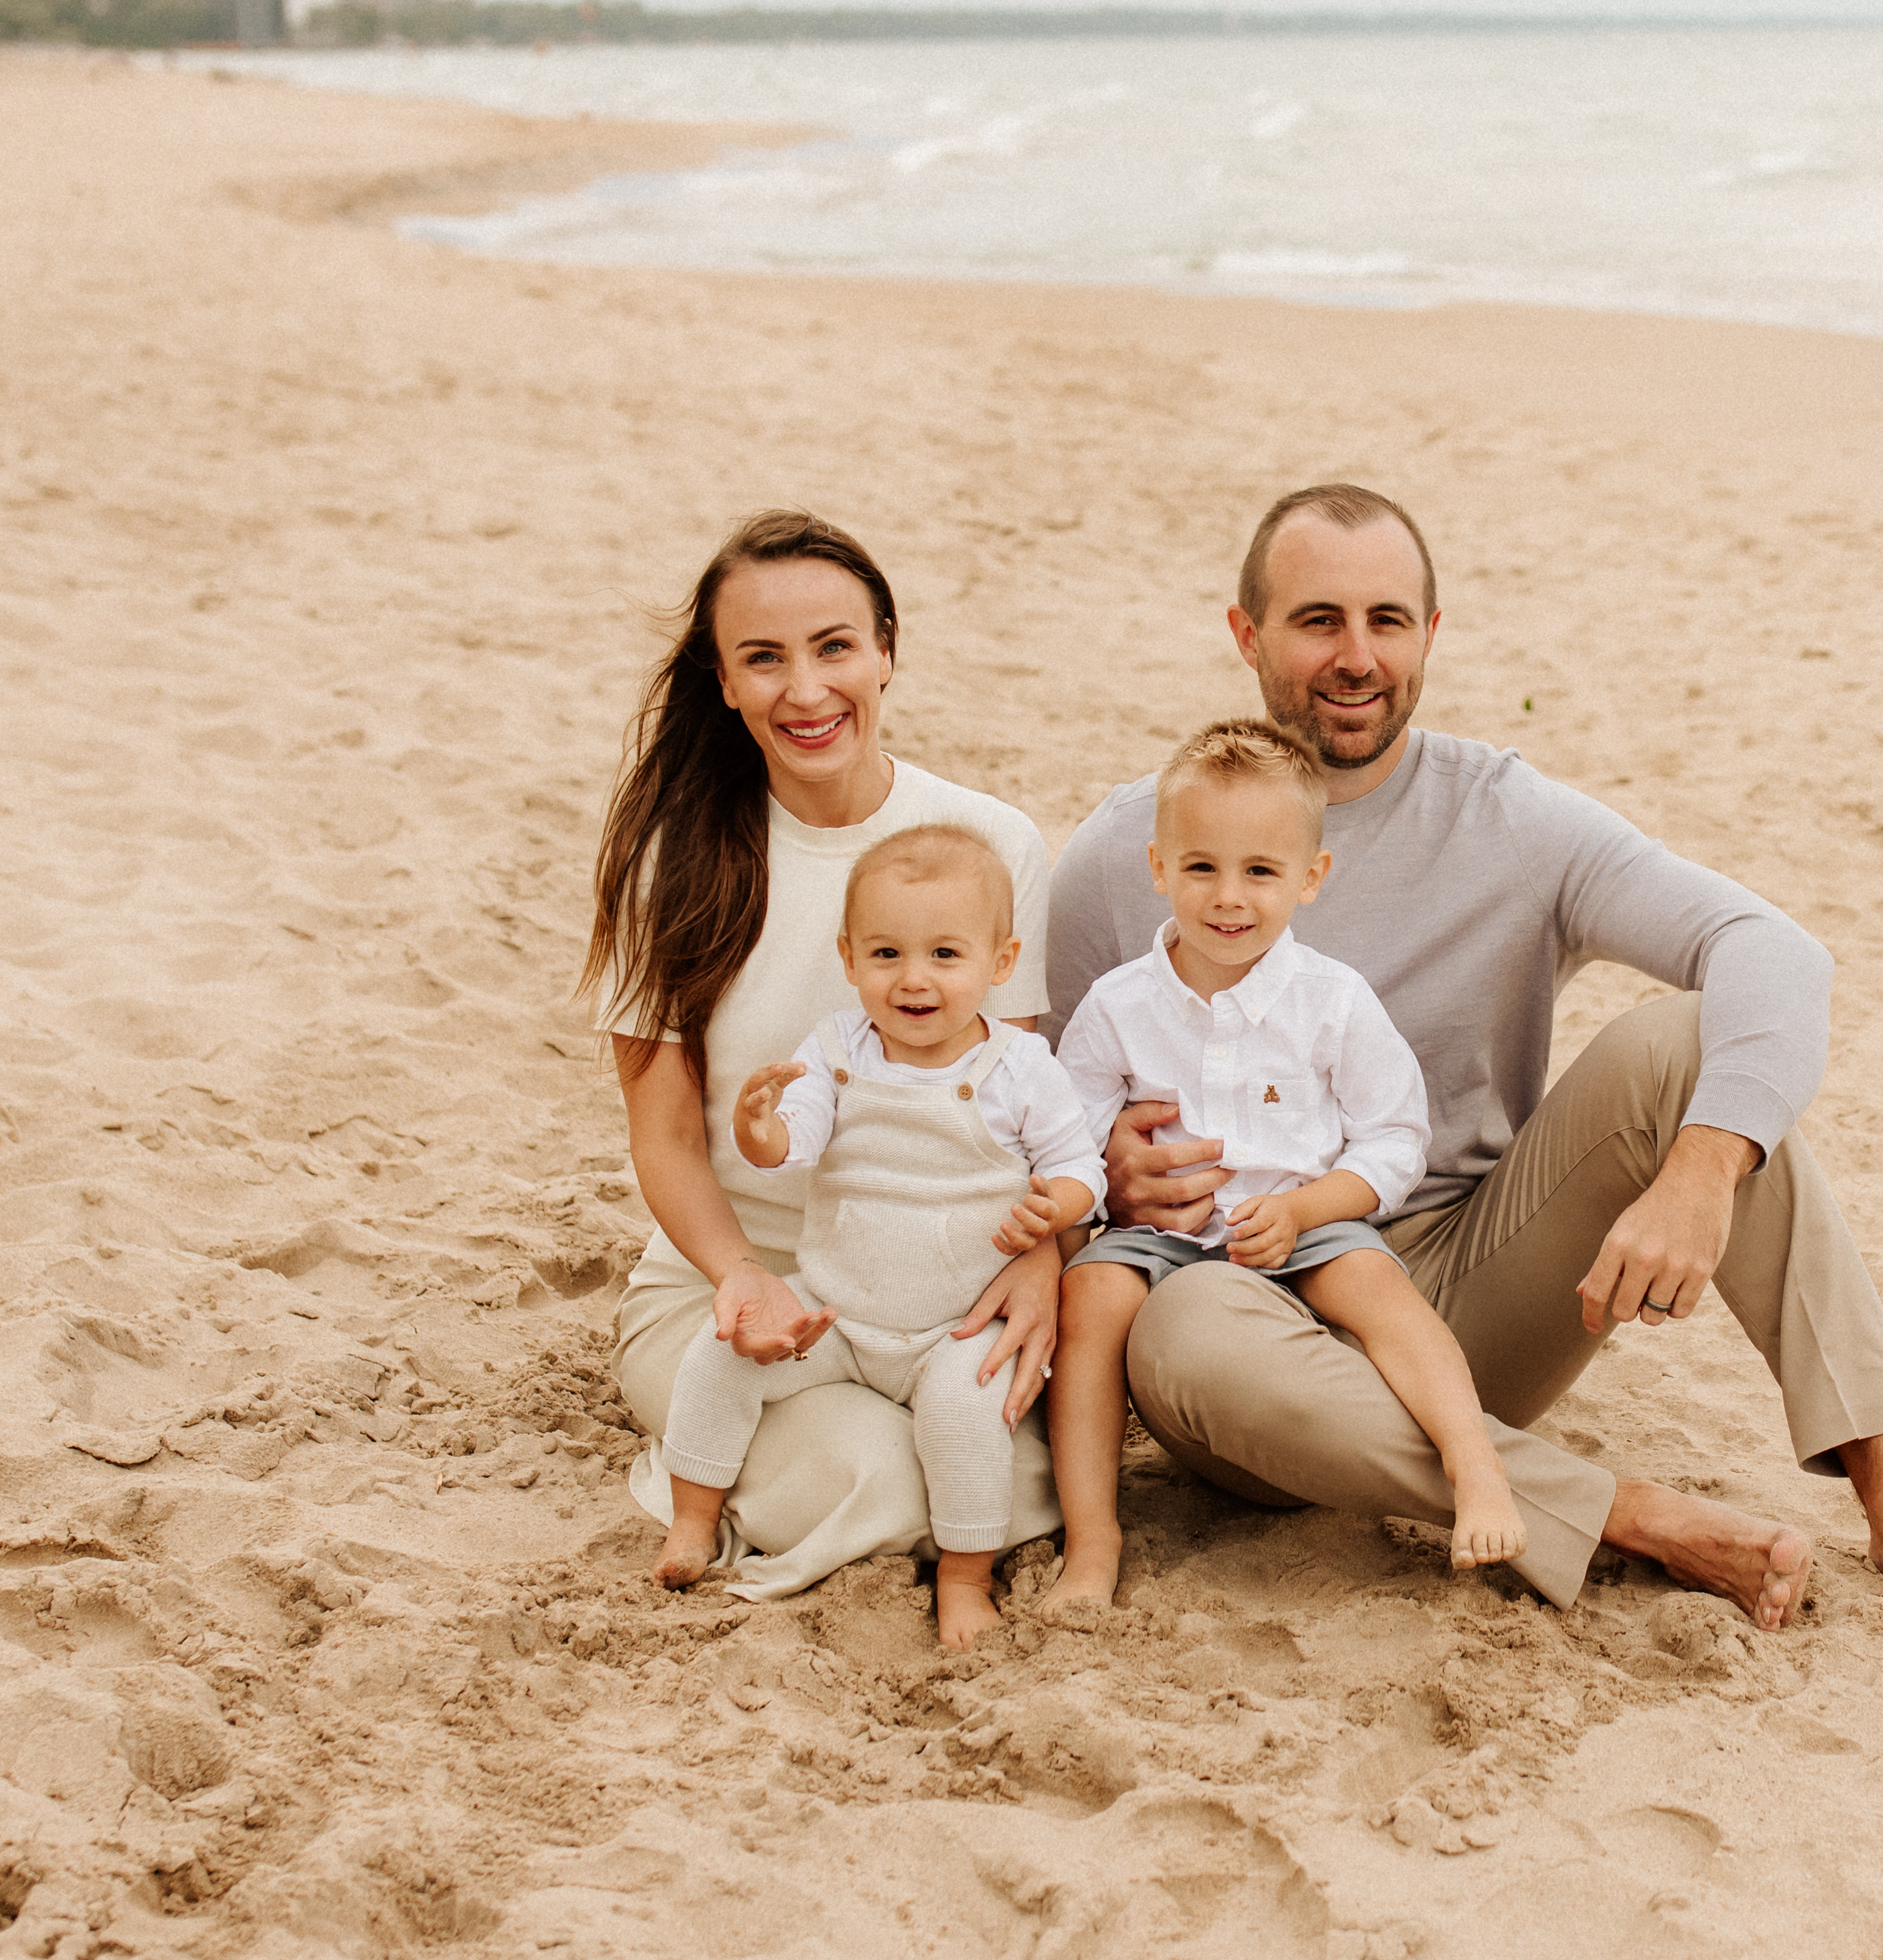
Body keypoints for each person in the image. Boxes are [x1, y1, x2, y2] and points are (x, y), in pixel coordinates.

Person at [1045, 484, 1883, 1654]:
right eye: (1315, 621)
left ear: (1430, 637)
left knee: (1685, 1044)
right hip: (1240, 1319)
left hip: (1470, 1282)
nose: (1354, 657)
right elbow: (1044, 1120)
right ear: (1245, 635)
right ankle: (1621, 1517)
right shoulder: (1119, 857)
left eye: (1386, 621)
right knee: (1175, 1330)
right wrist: (1109, 1174)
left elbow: (1772, 951)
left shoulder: (1509, 819)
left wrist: (1702, 1168)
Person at [588, 511, 1069, 1604]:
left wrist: (1041, 1256)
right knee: (885, 1488)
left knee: (1008, 1466)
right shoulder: (674, 858)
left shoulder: (993, 840)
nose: (805, 691)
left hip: (939, 1282)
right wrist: (740, 1278)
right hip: (730, 1290)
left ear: (887, 651)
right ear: (723, 682)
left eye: (835, 647)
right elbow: (661, 1134)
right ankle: (704, 1461)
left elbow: (1017, 1101)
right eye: (764, 659)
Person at [1040, 720, 1524, 1611]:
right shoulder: (1119, 1006)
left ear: (1310, 878)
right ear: (1158, 867)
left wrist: (1308, 1211)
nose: (1229, 898)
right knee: (1091, 1298)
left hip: (1303, 1222)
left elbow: (1394, 1138)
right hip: (1164, 1241)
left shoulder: (1332, 1001)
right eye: (1201, 868)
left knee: (1380, 1292)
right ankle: (1093, 1538)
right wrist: (1102, 1191)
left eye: (1260, 872)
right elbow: (1068, 1136)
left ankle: (1475, 1462)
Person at [655, 825, 1103, 1645]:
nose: (914, 979)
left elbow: (1081, 1162)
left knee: (969, 1422)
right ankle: (693, 1518)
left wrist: (1059, 1203)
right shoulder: (836, 1051)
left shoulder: (1020, 1068)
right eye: (887, 955)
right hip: (837, 1308)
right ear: (850, 957)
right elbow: (794, 1145)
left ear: (1001, 964)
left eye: (945, 955)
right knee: (721, 1354)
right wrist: (760, 1132)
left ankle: (964, 1581)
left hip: (958, 1325)